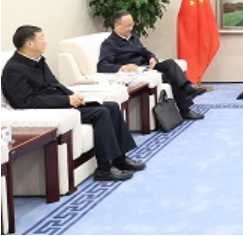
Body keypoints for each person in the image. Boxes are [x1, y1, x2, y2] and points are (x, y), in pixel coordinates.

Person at [2, 25, 146, 181]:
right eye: (41, 38)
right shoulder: (13, 69)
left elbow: (55, 84)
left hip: (60, 102)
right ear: (30, 44)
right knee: (101, 112)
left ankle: (120, 159)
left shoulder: (38, 60)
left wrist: (72, 95)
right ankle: (104, 168)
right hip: (48, 109)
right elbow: (25, 102)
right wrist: (66, 100)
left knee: (111, 106)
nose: (45, 42)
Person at [97, 10, 205, 120]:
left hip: (146, 67)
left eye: (132, 25)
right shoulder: (109, 44)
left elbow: (144, 51)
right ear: (117, 25)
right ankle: (185, 108)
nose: (130, 28)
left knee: (170, 64)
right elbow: (102, 66)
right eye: (127, 26)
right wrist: (123, 67)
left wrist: (151, 58)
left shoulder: (133, 37)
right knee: (170, 77)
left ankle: (188, 89)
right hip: (136, 71)